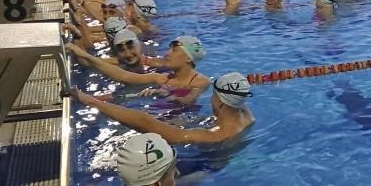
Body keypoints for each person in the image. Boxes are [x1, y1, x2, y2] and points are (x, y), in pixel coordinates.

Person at [75, 72, 255, 148]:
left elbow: (145, 122)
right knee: (177, 121)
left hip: (207, 166)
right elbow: (237, 94)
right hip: (223, 134)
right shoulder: (247, 116)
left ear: (221, 102)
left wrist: (94, 102)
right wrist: (170, 94)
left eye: (214, 94)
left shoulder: (214, 136)